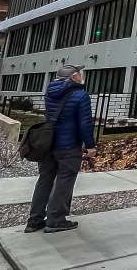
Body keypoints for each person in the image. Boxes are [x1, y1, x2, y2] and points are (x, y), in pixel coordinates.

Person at [26, 64, 96, 233]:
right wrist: (91, 145)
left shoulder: (50, 92)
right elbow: (85, 124)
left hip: (49, 144)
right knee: (64, 181)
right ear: (74, 77)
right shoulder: (81, 96)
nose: (81, 76)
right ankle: (56, 219)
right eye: (79, 74)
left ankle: (35, 219)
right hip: (69, 146)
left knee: (45, 180)